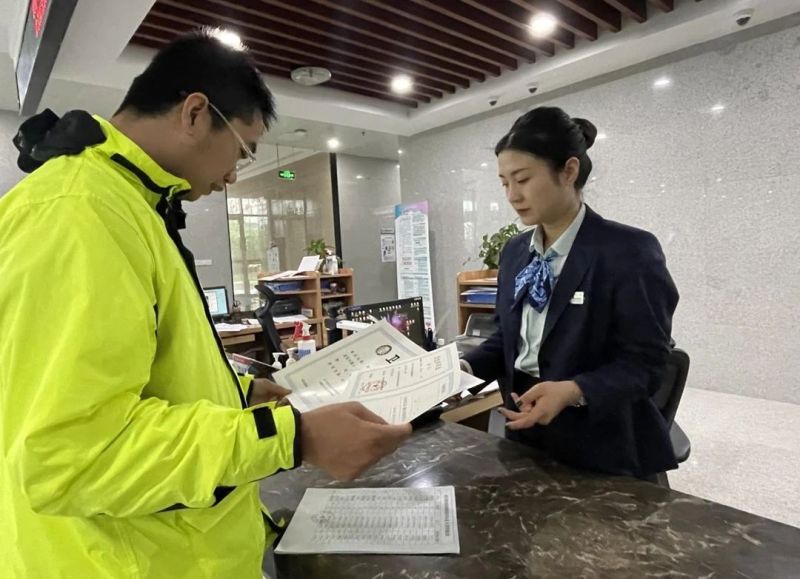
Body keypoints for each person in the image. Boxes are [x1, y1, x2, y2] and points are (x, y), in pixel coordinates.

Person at [0, 29, 410, 578]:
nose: (234, 174)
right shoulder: (80, 212)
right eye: (243, 150)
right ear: (195, 113)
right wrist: (291, 438)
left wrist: (236, 391)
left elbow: (137, 374)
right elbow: (75, 454)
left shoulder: (129, 202)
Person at [461, 106, 679, 480]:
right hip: (524, 432)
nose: (512, 195)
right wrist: (463, 371)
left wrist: (574, 390)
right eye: (504, 183)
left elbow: (647, 363)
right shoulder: (515, 252)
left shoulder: (628, 251)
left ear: (569, 171)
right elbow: (508, 340)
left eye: (523, 179)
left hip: (601, 443)